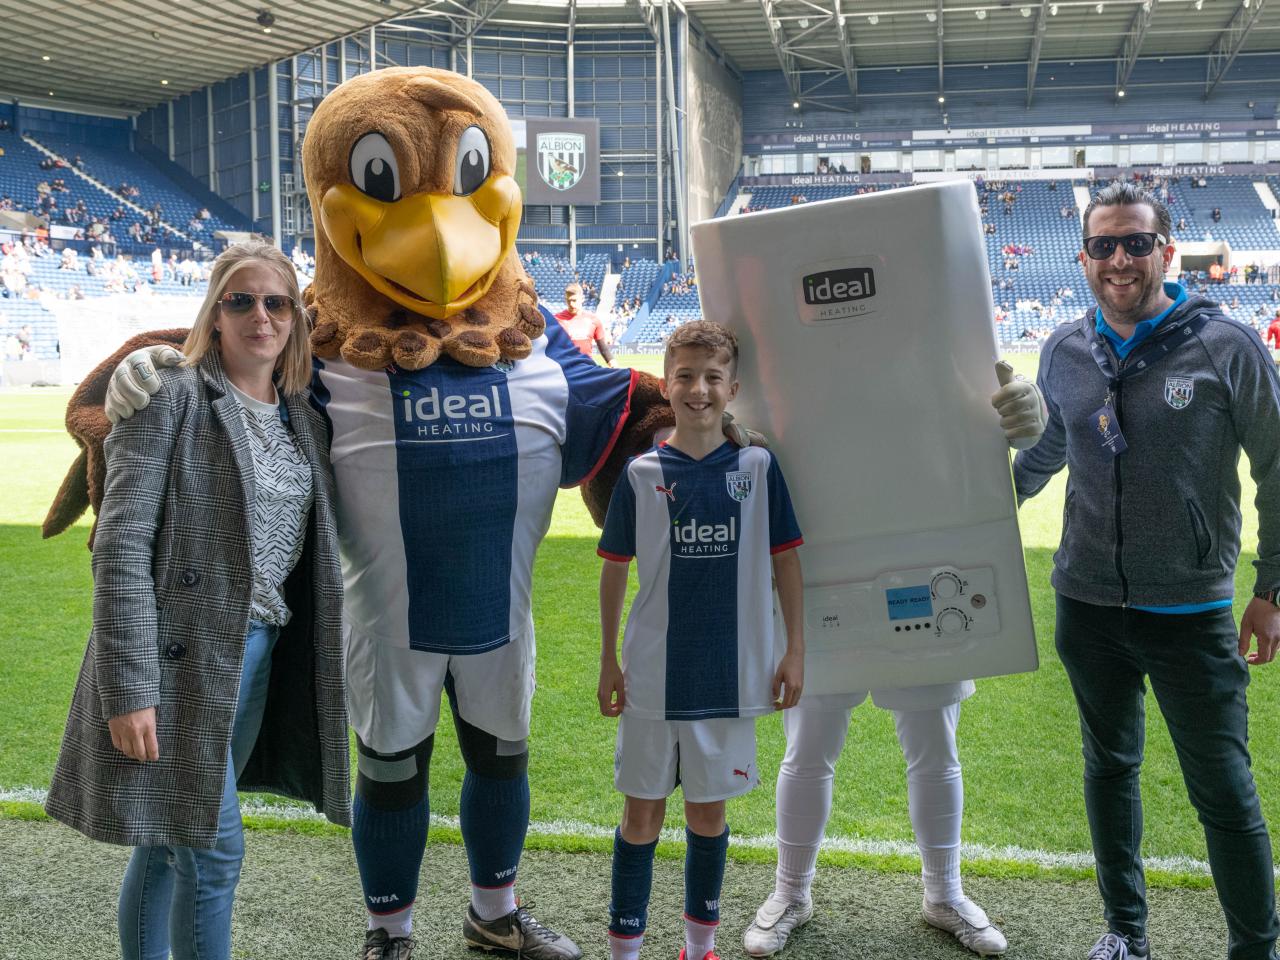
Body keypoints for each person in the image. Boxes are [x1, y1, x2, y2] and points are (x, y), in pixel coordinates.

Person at [44, 241, 351, 960]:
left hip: (257, 657)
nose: (260, 317)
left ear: (295, 321)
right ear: (214, 314)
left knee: (167, 842)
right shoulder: (169, 396)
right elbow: (119, 550)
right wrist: (129, 689)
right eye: (239, 301)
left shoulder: (302, 414)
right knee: (211, 852)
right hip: (177, 665)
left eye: (277, 303)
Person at [1014, 181, 1280, 960]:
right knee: (1109, 771)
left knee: (1224, 793)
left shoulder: (1226, 344)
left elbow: (1278, 466)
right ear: (1084, 258)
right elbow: (1048, 450)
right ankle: (1125, 934)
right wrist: (979, 506)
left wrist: (1269, 591)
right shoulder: (1064, 347)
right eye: (1104, 245)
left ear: (1166, 250)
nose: (1120, 258)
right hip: (1087, 606)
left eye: (1135, 242)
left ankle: (1255, 949)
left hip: (1190, 612)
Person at [740, 374, 1046, 958]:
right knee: (808, 748)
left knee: (933, 745)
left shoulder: (933, 329)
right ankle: (791, 892)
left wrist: (1034, 422)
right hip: (820, 562)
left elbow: (1034, 452)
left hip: (921, 554)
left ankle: (944, 892)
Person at [598, 320, 804, 960]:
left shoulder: (757, 466)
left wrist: (795, 649)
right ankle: (625, 949)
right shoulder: (641, 474)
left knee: (709, 819)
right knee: (640, 819)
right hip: (653, 677)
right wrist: (608, 659)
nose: (698, 389)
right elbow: (614, 568)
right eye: (685, 375)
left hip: (732, 676)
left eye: (712, 377)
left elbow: (786, 560)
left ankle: (698, 948)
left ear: (732, 387)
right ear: (669, 383)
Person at [554, 282, 615, 366]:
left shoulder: (593, 320)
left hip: (587, 367)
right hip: (566, 368)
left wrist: (613, 363)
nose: (571, 304)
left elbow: (603, 348)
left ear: (582, 299)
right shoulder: (556, 320)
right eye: (569, 301)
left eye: (574, 300)